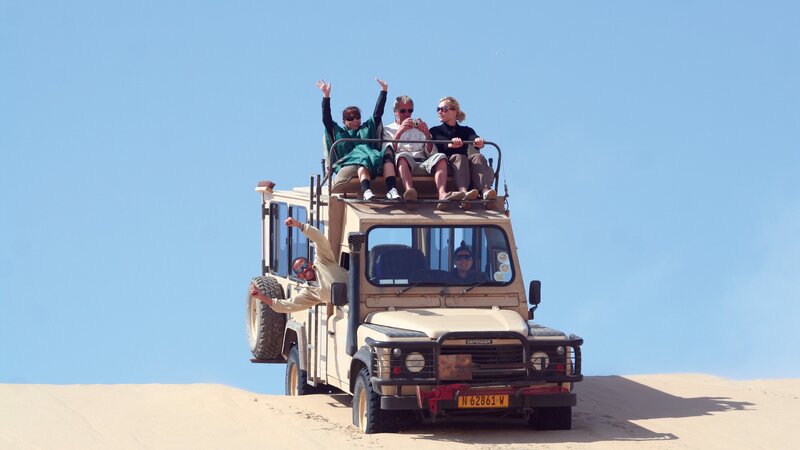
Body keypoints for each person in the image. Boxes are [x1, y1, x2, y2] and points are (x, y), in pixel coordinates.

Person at [318, 78, 399, 201]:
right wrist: (326, 97)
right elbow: (326, 120)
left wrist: (384, 91)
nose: (355, 120)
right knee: (362, 159)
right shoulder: (340, 132)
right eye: (350, 118)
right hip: (349, 160)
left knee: (387, 151)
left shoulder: (366, 128)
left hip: (371, 158)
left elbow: (377, 114)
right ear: (344, 121)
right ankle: (366, 190)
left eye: (357, 117)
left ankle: (391, 189)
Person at [249, 217, 347, 313]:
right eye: (300, 270)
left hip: (359, 285)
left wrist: (299, 225)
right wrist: (261, 297)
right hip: (351, 304)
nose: (304, 270)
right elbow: (288, 305)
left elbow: (319, 239)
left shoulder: (323, 261)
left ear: (310, 263)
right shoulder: (309, 293)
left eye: (304, 265)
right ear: (299, 276)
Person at [382, 95, 464, 204]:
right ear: (395, 111)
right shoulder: (388, 129)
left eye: (410, 111)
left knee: (441, 156)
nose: (407, 114)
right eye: (403, 111)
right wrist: (399, 132)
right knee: (402, 156)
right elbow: (389, 151)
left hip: (423, 160)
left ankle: (442, 193)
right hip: (404, 161)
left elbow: (431, 152)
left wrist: (426, 133)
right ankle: (409, 192)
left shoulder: (418, 127)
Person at [429, 96, 496, 204]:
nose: (440, 112)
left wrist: (478, 141)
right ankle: (463, 191)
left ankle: (484, 190)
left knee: (477, 157)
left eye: (444, 109)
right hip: (448, 162)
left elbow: (473, 137)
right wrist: (451, 144)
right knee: (458, 157)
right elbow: (441, 143)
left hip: (464, 161)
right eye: (438, 109)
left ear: (454, 111)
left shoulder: (466, 130)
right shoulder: (435, 131)